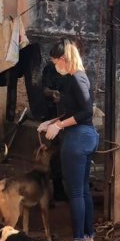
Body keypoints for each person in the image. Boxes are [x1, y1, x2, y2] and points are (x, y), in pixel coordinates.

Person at [37, 39, 99, 241]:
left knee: (75, 192)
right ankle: (88, 237)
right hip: (83, 137)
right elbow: (75, 110)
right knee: (82, 190)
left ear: (63, 59)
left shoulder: (77, 79)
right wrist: (52, 122)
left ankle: (79, 239)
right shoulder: (77, 77)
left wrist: (60, 125)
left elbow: (86, 111)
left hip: (78, 138)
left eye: (55, 61)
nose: (55, 65)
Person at [40, 60, 69, 202]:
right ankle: (57, 189)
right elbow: (44, 89)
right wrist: (53, 93)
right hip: (54, 116)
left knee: (69, 152)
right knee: (55, 153)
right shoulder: (51, 68)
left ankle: (71, 186)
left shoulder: (74, 69)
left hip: (69, 117)